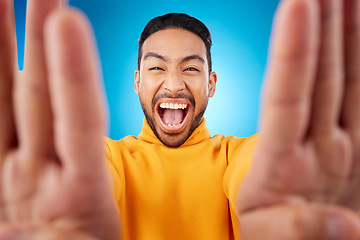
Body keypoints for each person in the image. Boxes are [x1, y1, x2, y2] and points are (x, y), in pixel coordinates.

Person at [0, 0, 359, 239]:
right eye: (156, 68)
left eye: (190, 68)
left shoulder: (238, 155)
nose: (173, 84)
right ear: (137, 81)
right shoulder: (106, 159)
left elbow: (259, 166)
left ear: (211, 83)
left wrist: (295, 187)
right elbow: (89, 178)